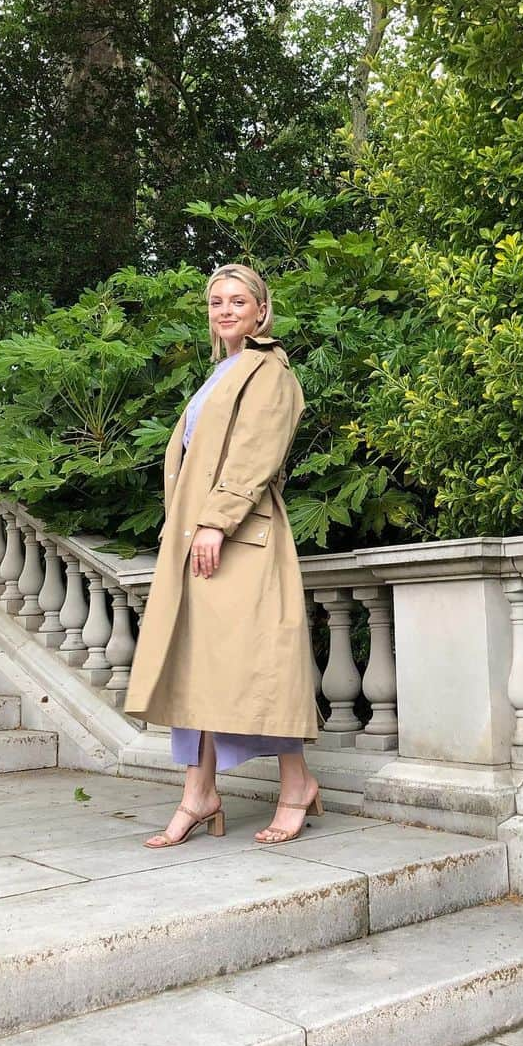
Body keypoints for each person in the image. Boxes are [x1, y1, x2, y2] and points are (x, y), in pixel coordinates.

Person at [123, 263, 321, 846]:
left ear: (262, 310)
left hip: (240, 537)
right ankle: (198, 793)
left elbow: (255, 454)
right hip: (198, 539)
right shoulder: (221, 373)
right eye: (216, 302)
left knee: (260, 667)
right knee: (197, 667)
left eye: (238, 300)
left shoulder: (270, 371)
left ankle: (296, 786)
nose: (226, 310)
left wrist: (215, 521)